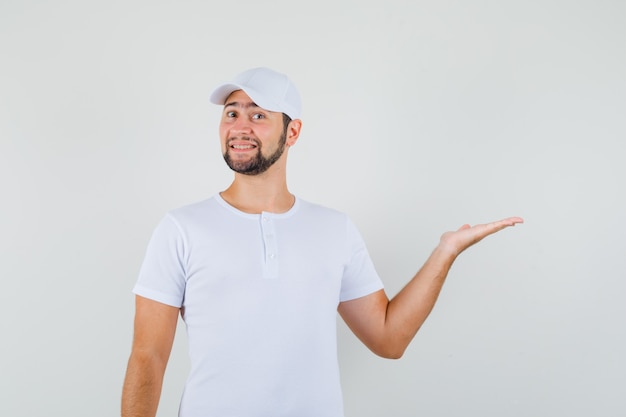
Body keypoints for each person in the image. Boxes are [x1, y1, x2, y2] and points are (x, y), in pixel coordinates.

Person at [121, 67, 523, 417]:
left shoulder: (334, 229)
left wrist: (445, 252)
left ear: (292, 131)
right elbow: (148, 358)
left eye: (258, 115)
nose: (240, 127)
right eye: (232, 114)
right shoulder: (181, 228)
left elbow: (389, 338)